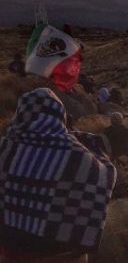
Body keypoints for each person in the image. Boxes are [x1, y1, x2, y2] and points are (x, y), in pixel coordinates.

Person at [0, 88, 116, 262]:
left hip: (13, 252)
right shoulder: (78, 155)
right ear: (59, 116)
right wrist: (87, 142)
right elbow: (106, 173)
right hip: (63, 254)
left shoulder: (5, 149)